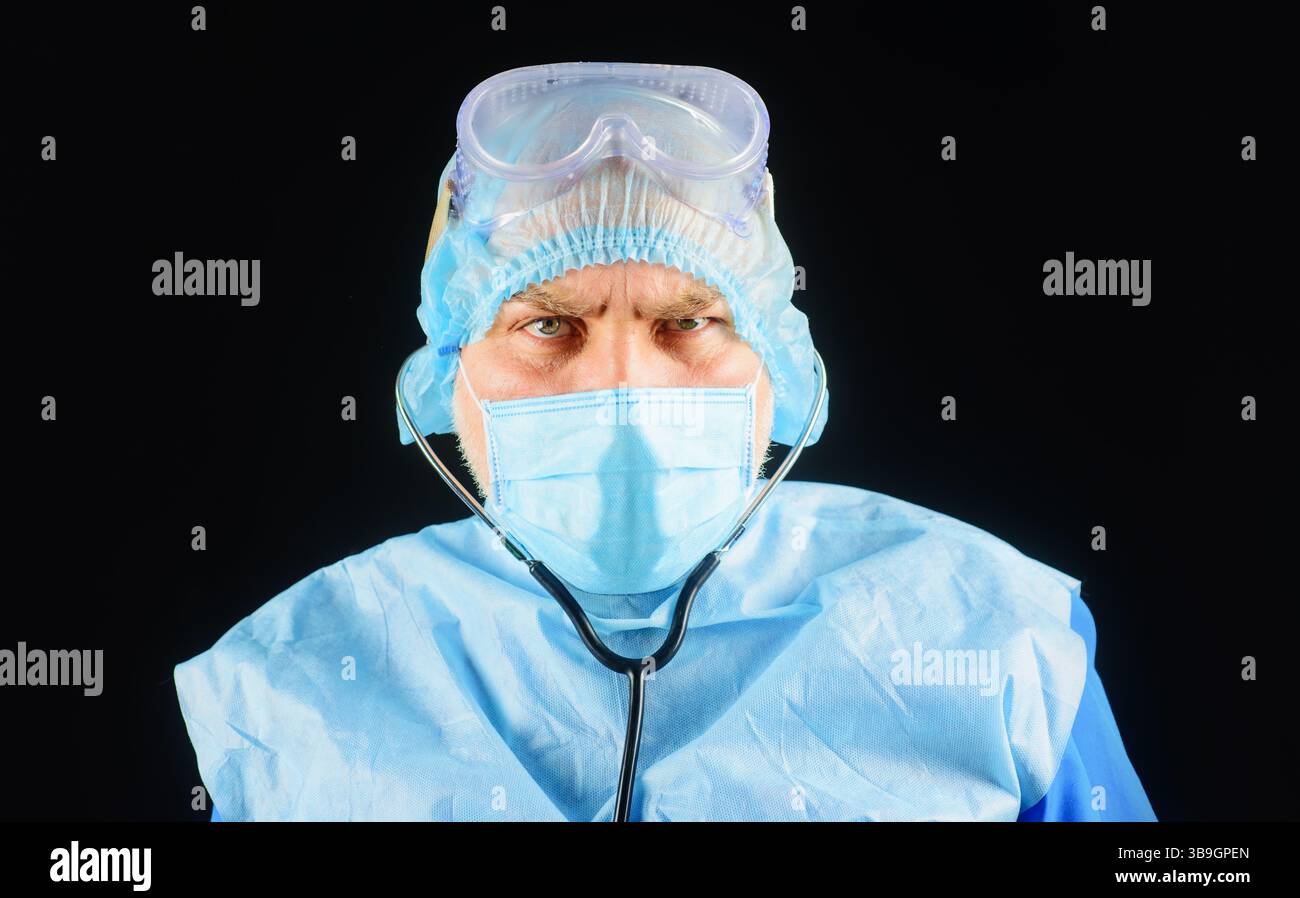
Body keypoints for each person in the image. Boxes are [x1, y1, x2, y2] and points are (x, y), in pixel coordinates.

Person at [177, 62, 1156, 822]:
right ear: (449, 367)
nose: (623, 390)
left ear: (777, 362)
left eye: (686, 322)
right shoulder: (293, 681)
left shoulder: (990, 636)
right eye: (547, 325)